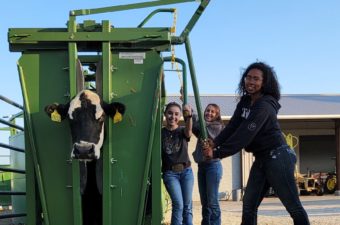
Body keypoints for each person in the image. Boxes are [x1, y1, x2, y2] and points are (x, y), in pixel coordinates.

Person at [202, 62, 310, 225]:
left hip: (278, 157)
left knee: (293, 207)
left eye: (256, 79)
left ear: (264, 82)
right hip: (261, 159)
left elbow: (244, 134)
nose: (250, 82)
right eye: (248, 77)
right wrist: (214, 142)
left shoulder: (265, 105)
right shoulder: (245, 101)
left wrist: (217, 153)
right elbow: (233, 126)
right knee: (249, 206)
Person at [162, 102, 194, 225]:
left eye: (176, 114)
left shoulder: (182, 131)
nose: (173, 117)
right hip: (170, 174)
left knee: (187, 206)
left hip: (186, 172)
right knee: (178, 204)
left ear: (180, 116)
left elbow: (189, 131)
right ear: (165, 114)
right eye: (170, 113)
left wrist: (189, 116)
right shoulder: (161, 133)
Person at [192, 104, 224, 225]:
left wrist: (193, 112)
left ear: (217, 115)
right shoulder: (203, 127)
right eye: (207, 111)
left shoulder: (217, 126)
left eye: (212, 112)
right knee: (204, 202)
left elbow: (200, 124)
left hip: (213, 166)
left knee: (212, 201)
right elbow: (194, 124)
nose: (209, 113)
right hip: (202, 167)